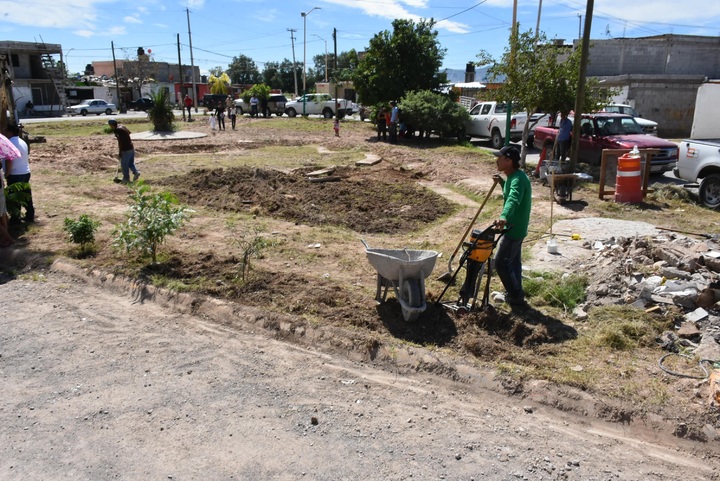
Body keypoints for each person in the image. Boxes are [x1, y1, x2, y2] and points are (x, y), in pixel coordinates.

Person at [492, 145, 531, 307]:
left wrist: (504, 217)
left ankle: (514, 295)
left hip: (514, 228)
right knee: (513, 261)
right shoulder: (513, 176)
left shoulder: (517, 179)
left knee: (501, 262)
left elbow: (513, 199)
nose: (496, 160)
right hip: (516, 226)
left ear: (508, 161)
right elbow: (511, 194)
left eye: (500, 158)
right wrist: (501, 183)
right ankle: (517, 290)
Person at [3, 123, 35, 223]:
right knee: (26, 195)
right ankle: (30, 214)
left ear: (10, 132)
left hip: (15, 174)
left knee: (15, 197)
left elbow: (9, 160)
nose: (4, 133)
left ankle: (15, 217)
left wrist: (7, 173)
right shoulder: (22, 142)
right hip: (25, 171)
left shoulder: (9, 143)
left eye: (5, 131)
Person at [108, 119, 140, 184]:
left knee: (124, 164)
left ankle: (126, 178)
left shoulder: (117, 130)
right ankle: (136, 172)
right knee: (130, 163)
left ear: (112, 125)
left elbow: (120, 142)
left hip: (125, 149)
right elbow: (129, 132)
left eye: (110, 125)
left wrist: (120, 152)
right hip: (131, 147)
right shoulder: (122, 126)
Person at [0, 171, 15, 247]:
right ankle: (5, 238)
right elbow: (2, 183)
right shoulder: (0, 172)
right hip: (1, 195)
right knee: (3, 216)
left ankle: (9, 238)